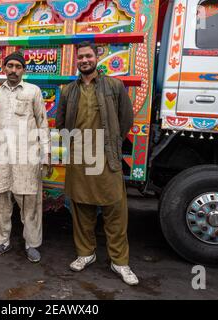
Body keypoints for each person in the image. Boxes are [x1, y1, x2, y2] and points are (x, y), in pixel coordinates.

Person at [56, 42, 139, 285]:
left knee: (115, 209)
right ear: (76, 60)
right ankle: (85, 254)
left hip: (106, 156)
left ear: (97, 57)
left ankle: (120, 262)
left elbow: (126, 119)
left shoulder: (114, 85)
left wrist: (112, 141)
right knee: (81, 209)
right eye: (80, 56)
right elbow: (60, 123)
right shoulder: (68, 90)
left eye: (88, 56)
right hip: (80, 157)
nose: (84, 60)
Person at [0, 52, 51, 263]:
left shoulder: (33, 91)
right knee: (0, 202)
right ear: (4, 68)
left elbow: (42, 123)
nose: (14, 70)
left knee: (30, 204)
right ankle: (2, 242)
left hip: (26, 159)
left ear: (23, 70)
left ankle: (32, 244)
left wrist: (46, 155)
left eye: (18, 66)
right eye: (10, 66)